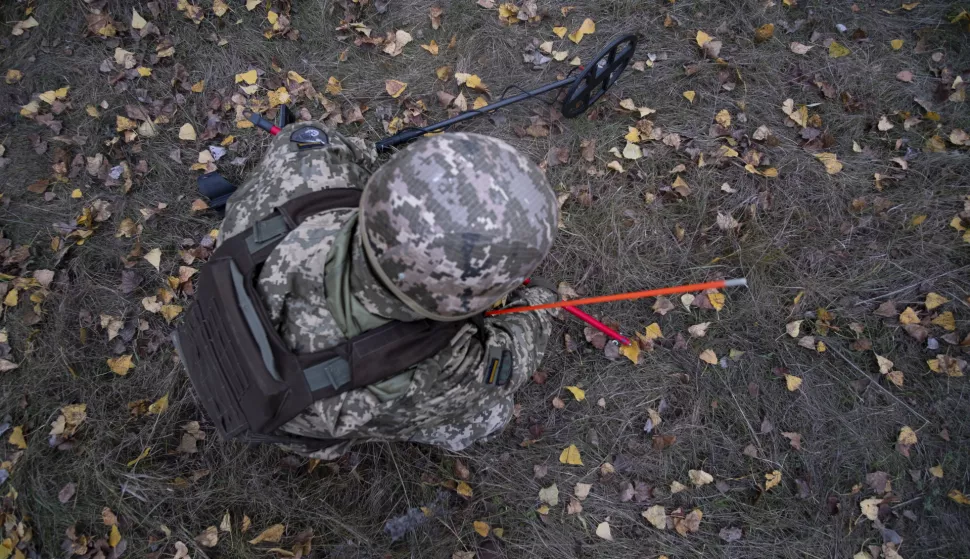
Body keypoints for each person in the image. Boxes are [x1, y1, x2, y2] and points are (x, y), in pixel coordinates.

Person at [176, 121, 560, 460]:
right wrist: (543, 299)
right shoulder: (432, 373)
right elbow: (510, 364)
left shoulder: (306, 177)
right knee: (489, 415)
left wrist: (364, 157)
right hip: (301, 414)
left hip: (230, 323)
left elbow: (307, 135)